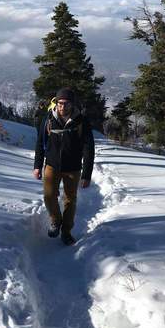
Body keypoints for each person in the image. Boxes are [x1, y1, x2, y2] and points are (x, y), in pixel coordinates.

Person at [33, 88, 94, 245]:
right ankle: (55, 220)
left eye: (66, 104)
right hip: (52, 165)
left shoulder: (81, 121)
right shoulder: (48, 119)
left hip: (73, 168)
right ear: (56, 103)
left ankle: (66, 231)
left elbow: (89, 148)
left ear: (72, 104)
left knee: (70, 200)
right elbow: (40, 142)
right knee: (48, 195)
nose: (63, 107)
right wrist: (37, 166)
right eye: (60, 103)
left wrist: (87, 174)